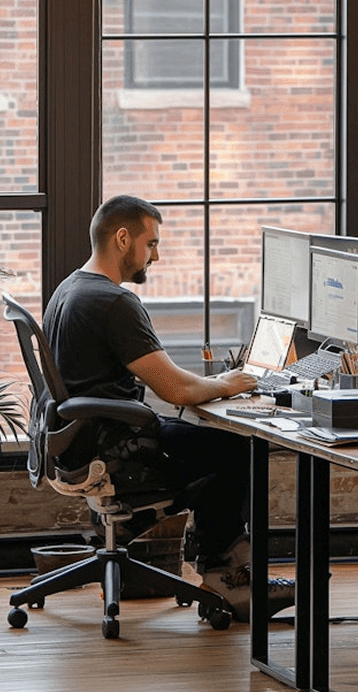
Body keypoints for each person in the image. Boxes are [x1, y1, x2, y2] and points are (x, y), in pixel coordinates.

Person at [43, 194, 294, 623]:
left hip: (82, 445)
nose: (155, 255)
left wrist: (213, 385)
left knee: (211, 443)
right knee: (235, 449)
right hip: (117, 450)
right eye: (151, 243)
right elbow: (175, 389)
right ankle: (229, 580)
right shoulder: (114, 303)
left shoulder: (69, 288)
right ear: (123, 239)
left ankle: (219, 564)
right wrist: (229, 382)